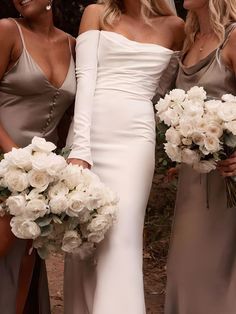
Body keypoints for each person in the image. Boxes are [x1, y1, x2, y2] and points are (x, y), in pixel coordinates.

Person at [65, 1, 184, 313]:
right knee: (84, 238)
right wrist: (80, 148)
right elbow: (85, 80)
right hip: (91, 133)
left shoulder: (175, 27)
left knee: (122, 238)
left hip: (136, 140)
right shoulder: (96, 13)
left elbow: (163, 92)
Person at [0, 0, 76, 313]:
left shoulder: (74, 45)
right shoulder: (7, 30)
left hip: (43, 173)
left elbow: (73, 117)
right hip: (6, 159)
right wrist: (15, 157)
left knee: (25, 263)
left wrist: (63, 168)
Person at [164, 1, 236, 313]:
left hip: (227, 177)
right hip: (193, 178)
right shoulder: (190, 38)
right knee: (186, 266)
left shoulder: (233, 37)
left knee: (216, 271)